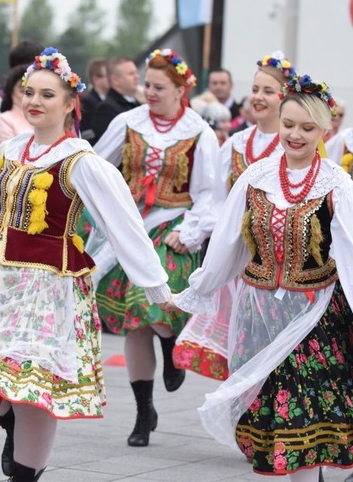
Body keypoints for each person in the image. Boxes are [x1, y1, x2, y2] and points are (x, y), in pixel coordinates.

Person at [0, 47, 172, 482]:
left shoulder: (80, 161)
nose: (34, 101)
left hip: (47, 286)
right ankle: (12, 429)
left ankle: (25, 471)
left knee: (29, 385)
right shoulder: (9, 147)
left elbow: (123, 223)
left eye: (47, 94)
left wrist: (154, 282)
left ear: (69, 104)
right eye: (28, 93)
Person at [171, 74, 353, 482]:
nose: (294, 135)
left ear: (325, 130)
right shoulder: (255, 177)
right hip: (260, 316)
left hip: (316, 316)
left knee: (302, 422)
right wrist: (197, 290)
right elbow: (226, 245)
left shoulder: (336, 184)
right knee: (273, 419)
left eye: (307, 128)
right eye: (288, 124)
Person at [90, 48, 220, 447]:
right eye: (147, 84)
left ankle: (170, 343)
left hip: (172, 226)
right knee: (135, 320)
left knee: (151, 306)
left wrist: (193, 231)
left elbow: (208, 193)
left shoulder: (199, 131)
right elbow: (93, 163)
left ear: (181, 90)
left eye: (158, 87)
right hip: (131, 227)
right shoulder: (128, 123)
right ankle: (144, 412)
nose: (149, 92)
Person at [174, 51, 295, 380]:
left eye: (268, 91)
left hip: (279, 263)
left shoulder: (294, 145)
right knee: (239, 354)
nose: (258, 97)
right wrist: (200, 233)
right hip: (239, 261)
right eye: (255, 89)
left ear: (285, 97)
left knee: (274, 354)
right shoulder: (237, 144)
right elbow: (216, 201)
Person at [90, 57, 140, 143]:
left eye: (136, 72)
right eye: (131, 74)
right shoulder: (106, 109)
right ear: (115, 80)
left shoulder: (136, 103)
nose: (137, 77)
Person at [0, 65, 33, 145]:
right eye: (22, 91)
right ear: (11, 91)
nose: (27, 96)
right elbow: (11, 152)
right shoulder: (4, 119)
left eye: (30, 92)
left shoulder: (44, 117)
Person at [78, 58, 109, 144]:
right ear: (96, 79)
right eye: (108, 75)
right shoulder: (88, 102)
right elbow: (87, 134)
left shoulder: (112, 100)